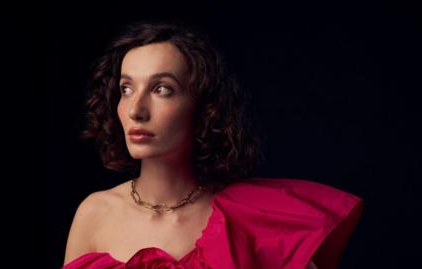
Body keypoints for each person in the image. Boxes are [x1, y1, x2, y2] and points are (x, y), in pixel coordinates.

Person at [61, 21, 363, 269]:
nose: (135, 109)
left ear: (204, 106)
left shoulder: (254, 219)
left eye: (161, 89)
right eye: (126, 89)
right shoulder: (95, 214)